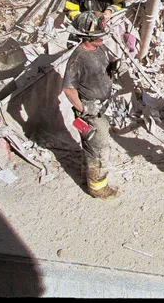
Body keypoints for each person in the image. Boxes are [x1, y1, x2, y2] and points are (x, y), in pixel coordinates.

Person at [62, 12, 121, 199]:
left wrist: (113, 65)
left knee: (91, 147)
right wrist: (84, 110)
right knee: (99, 150)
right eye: (99, 35)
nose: (103, 37)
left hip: (102, 107)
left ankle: (85, 174)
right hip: (91, 111)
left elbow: (106, 63)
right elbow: (68, 89)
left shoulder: (99, 49)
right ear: (87, 37)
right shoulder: (77, 59)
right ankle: (97, 188)